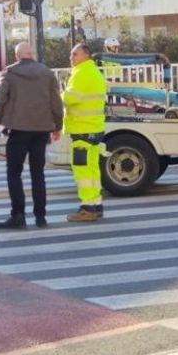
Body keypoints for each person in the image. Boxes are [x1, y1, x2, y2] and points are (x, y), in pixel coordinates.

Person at [0, 42, 63, 230]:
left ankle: (18, 216)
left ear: (17, 56)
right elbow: (57, 102)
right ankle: (41, 217)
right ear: (32, 54)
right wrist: (57, 125)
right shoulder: (47, 73)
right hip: (41, 130)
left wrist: (0, 119)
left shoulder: (10, 73)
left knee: (14, 173)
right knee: (37, 173)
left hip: (18, 130)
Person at [62, 43, 107, 222]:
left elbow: (70, 99)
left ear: (86, 56)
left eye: (75, 54)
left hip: (82, 130)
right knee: (93, 170)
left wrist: (59, 94)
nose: (71, 58)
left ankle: (87, 208)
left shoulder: (81, 73)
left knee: (82, 172)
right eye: (71, 54)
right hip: (94, 128)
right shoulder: (94, 72)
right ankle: (96, 205)